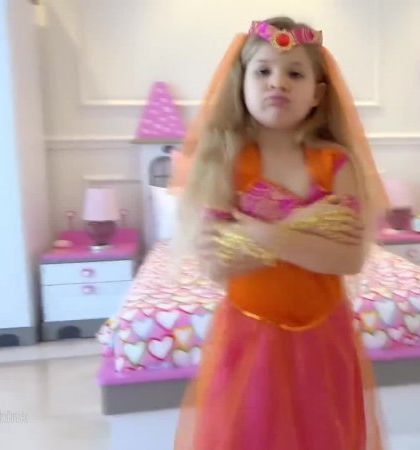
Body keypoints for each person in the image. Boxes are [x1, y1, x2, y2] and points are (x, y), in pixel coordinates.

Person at [169, 16, 388, 450]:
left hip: (324, 336)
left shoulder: (334, 163)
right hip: (248, 338)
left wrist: (262, 234)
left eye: (295, 73)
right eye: (263, 70)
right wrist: (307, 231)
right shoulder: (226, 164)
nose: (278, 83)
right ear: (242, 83)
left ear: (317, 94)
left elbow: (348, 259)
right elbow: (220, 266)